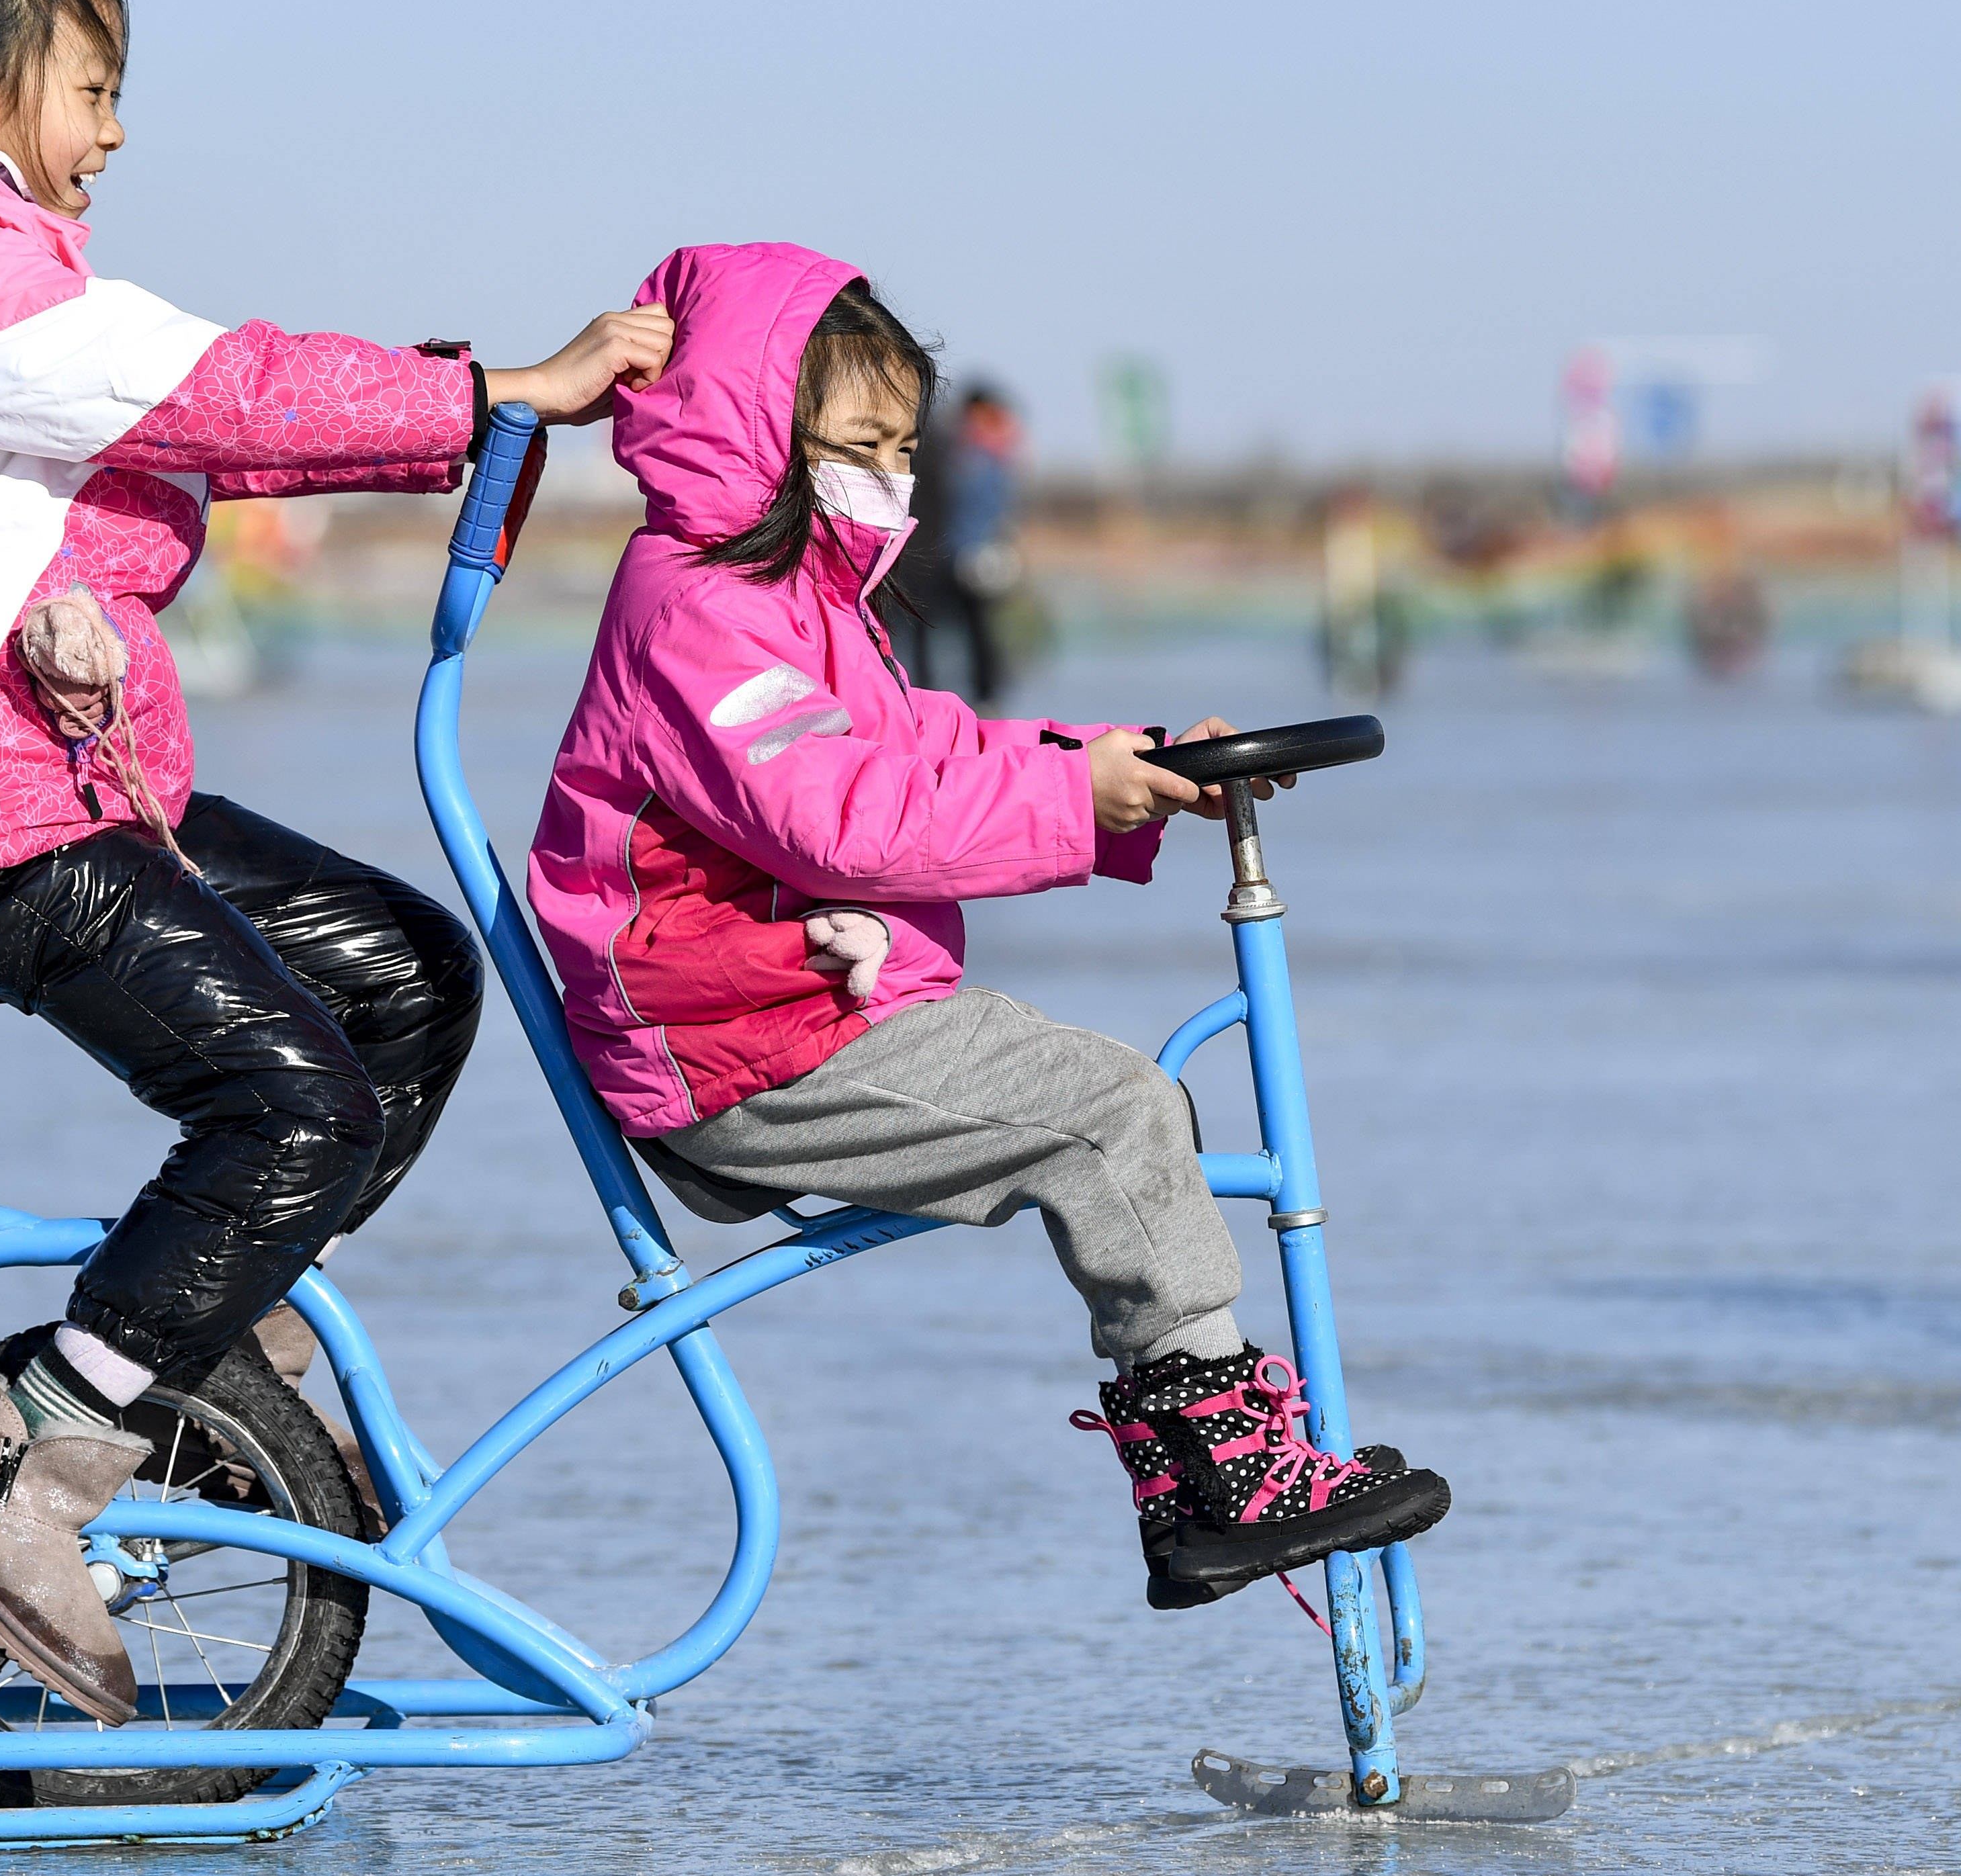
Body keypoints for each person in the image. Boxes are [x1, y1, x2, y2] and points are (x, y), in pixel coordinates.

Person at [0, 0, 670, 1724]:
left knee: (404, 973)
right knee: (293, 1103)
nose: (115, 127)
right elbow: (219, 390)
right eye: (90, 84)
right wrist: (505, 392)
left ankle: (186, 1352)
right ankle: (21, 1471)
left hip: (45, 780)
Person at [526, 243, 1450, 1612]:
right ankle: (1222, 1469)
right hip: (736, 1040)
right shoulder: (701, 607)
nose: (887, 476)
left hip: (805, 1001)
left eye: (904, 445)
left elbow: (933, 744)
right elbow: (846, 814)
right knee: (1116, 1112)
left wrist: (1128, 763)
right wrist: (1081, 800)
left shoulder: (801, 605)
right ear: (754, 430)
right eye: (856, 441)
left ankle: (1199, 1474)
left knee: (1134, 1120)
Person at [887, 379, 1026, 704]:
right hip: (950, 553)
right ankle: (973, 690)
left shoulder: (973, 452)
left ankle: (976, 689)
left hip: (962, 554)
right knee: (965, 626)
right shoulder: (966, 448)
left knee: (967, 626)